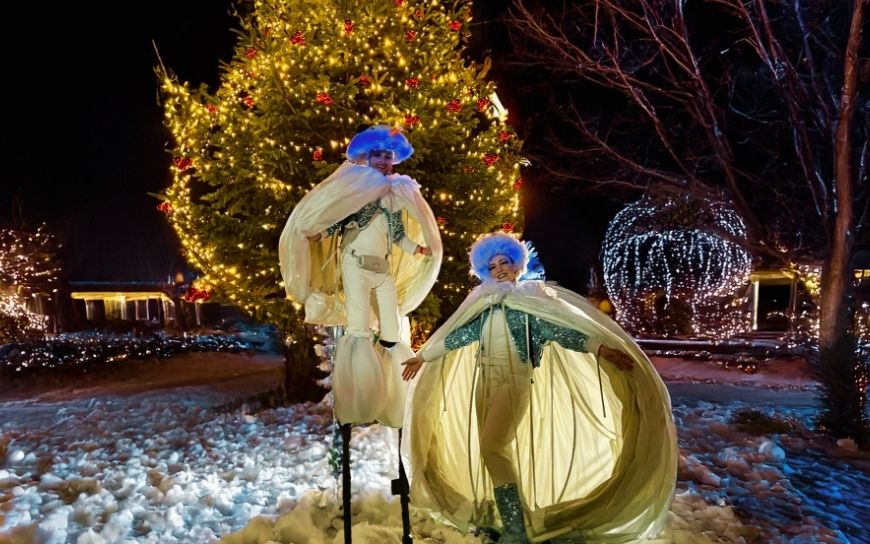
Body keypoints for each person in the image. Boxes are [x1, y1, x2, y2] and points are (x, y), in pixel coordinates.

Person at [401, 233, 677, 543]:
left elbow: (561, 332)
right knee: (488, 450)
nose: (499, 269)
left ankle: (517, 531)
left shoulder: (531, 304)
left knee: (494, 449)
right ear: (484, 272)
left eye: (504, 262)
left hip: (514, 383)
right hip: (486, 384)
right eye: (492, 266)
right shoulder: (485, 307)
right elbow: (457, 337)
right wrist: (422, 357)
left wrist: (600, 349)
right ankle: (510, 520)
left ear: (517, 265)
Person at [278, 125, 442, 427]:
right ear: (367, 157)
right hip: (355, 267)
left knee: (391, 331)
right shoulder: (356, 192)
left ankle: (393, 395)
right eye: (378, 154)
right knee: (359, 329)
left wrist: (419, 249)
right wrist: (319, 233)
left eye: (388, 156)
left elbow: (397, 235)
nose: (383, 161)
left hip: (382, 270)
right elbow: (337, 217)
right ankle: (360, 395)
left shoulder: (392, 196)